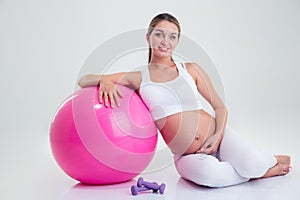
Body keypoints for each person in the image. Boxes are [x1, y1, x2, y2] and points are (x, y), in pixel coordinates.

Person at [78, 13, 291, 187]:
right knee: (211, 177)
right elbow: (84, 79)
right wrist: (103, 80)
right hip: (185, 156)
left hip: (219, 137)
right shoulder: (139, 76)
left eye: (172, 37)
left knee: (253, 162)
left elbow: (220, 107)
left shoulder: (191, 69)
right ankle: (256, 173)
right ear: (148, 37)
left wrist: (217, 137)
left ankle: (263, 162)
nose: (165, 42)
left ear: (178, 41)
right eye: (159, 34)